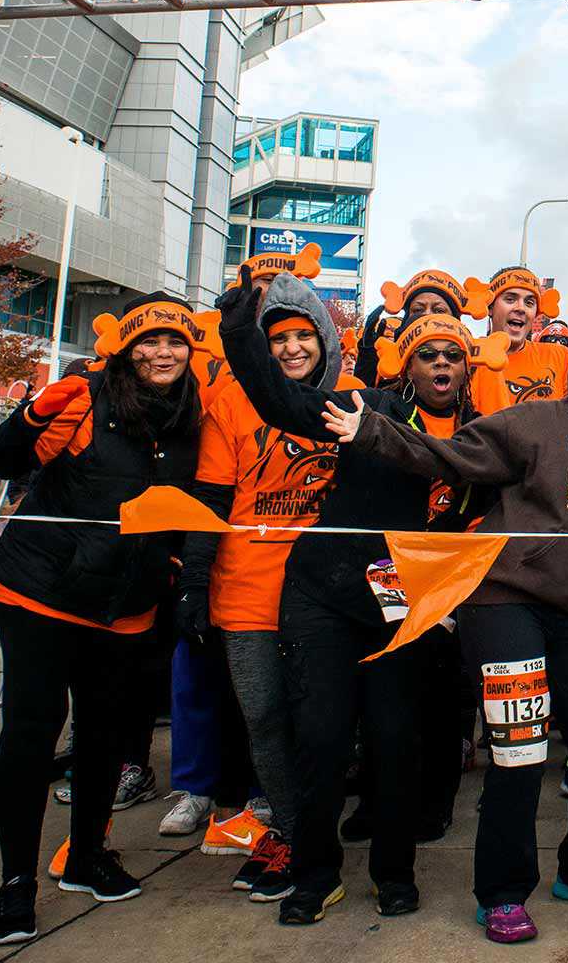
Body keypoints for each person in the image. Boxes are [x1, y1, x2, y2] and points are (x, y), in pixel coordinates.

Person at [318, 317, 568, 945]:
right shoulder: (534, 421)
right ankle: (500, 892)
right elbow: (451, 454)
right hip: (505, 603)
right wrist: (372, 432)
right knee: (520, 753)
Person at [221, 268, 504, 926]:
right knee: (319, 737)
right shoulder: (365, 406)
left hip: (399, 597)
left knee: (393, 740)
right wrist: (240, 329)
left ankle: (393, 872)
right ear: (409, 364)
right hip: (323, 586)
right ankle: (315, 877)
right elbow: (279, 404)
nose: (440, 362)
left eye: (452, 354)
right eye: (427, 353)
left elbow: (497, 511)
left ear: (466, 366)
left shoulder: (483, 435)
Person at [0, 292, 210, 945]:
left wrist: (168, 571)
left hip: (126, 603)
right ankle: (16, 883)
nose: (162, 352)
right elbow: (2, 461)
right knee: (31, 731)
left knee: (105, 736)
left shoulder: (194, 416)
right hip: (41, 592)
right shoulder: (84, 396)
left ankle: (86, 855)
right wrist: (32, 413)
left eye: (175, 341)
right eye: (148, 340)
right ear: (126, 348)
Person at [173, 274, 367, 904]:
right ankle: (286, 828)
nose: (290, 348)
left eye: (303, 335)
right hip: (246, 584)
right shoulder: (230, 402)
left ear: (326, 341)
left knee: (320, 724)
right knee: (261, 716)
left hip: (324, 592)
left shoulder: (353, 400)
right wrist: (195, 583)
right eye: (277, 337)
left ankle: (310, 838)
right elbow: (211, 496)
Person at [468, 266, 568, 413]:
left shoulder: (562, 358)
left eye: (529, 303)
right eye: (510, 299)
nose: (520, 308)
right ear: (490, 308)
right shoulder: (469, 357)